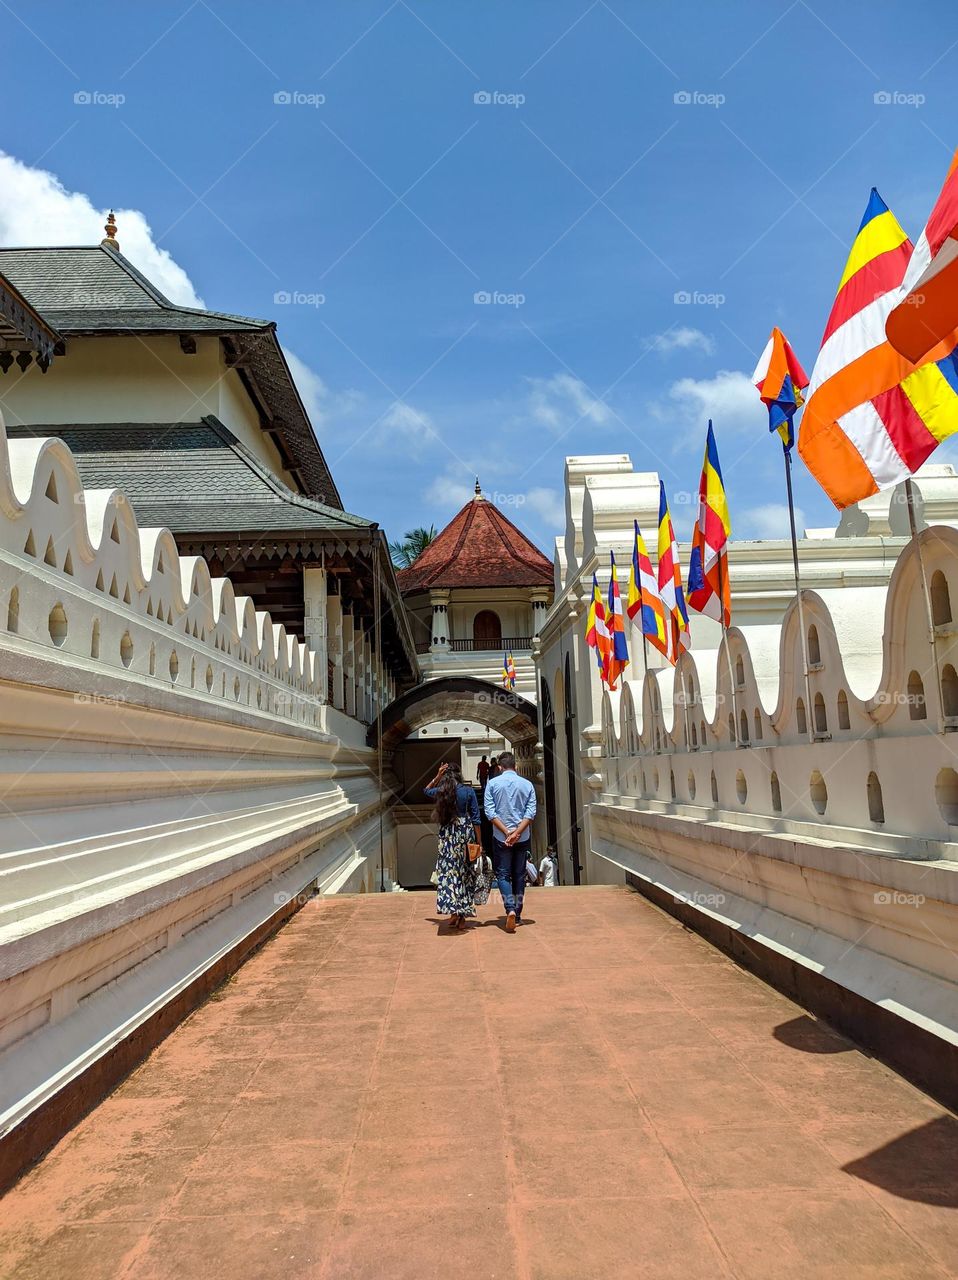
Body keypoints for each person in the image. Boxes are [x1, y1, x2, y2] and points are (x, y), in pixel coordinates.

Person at [483, 751, 537, 933]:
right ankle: (519, 914)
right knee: (519, 875)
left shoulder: (492, 784)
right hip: (522, 836)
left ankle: (510, 909)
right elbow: (530, 813)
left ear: (499, 767)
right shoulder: (527, 784)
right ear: (516, 766)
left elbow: (490, 812)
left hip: (501, 837)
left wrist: (507, 832)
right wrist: (517, 833)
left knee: (503, 875)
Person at [425, 762, 481, 932]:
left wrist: (437, 775)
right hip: (465, 833)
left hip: (448, 836)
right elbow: (476, 819)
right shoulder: (468, 791)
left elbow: (426, 790)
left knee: (450, 875)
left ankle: (454, 912)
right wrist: (479, 843)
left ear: (446, 776)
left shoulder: (442, 791)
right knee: (465, 874)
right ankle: (461, 916)